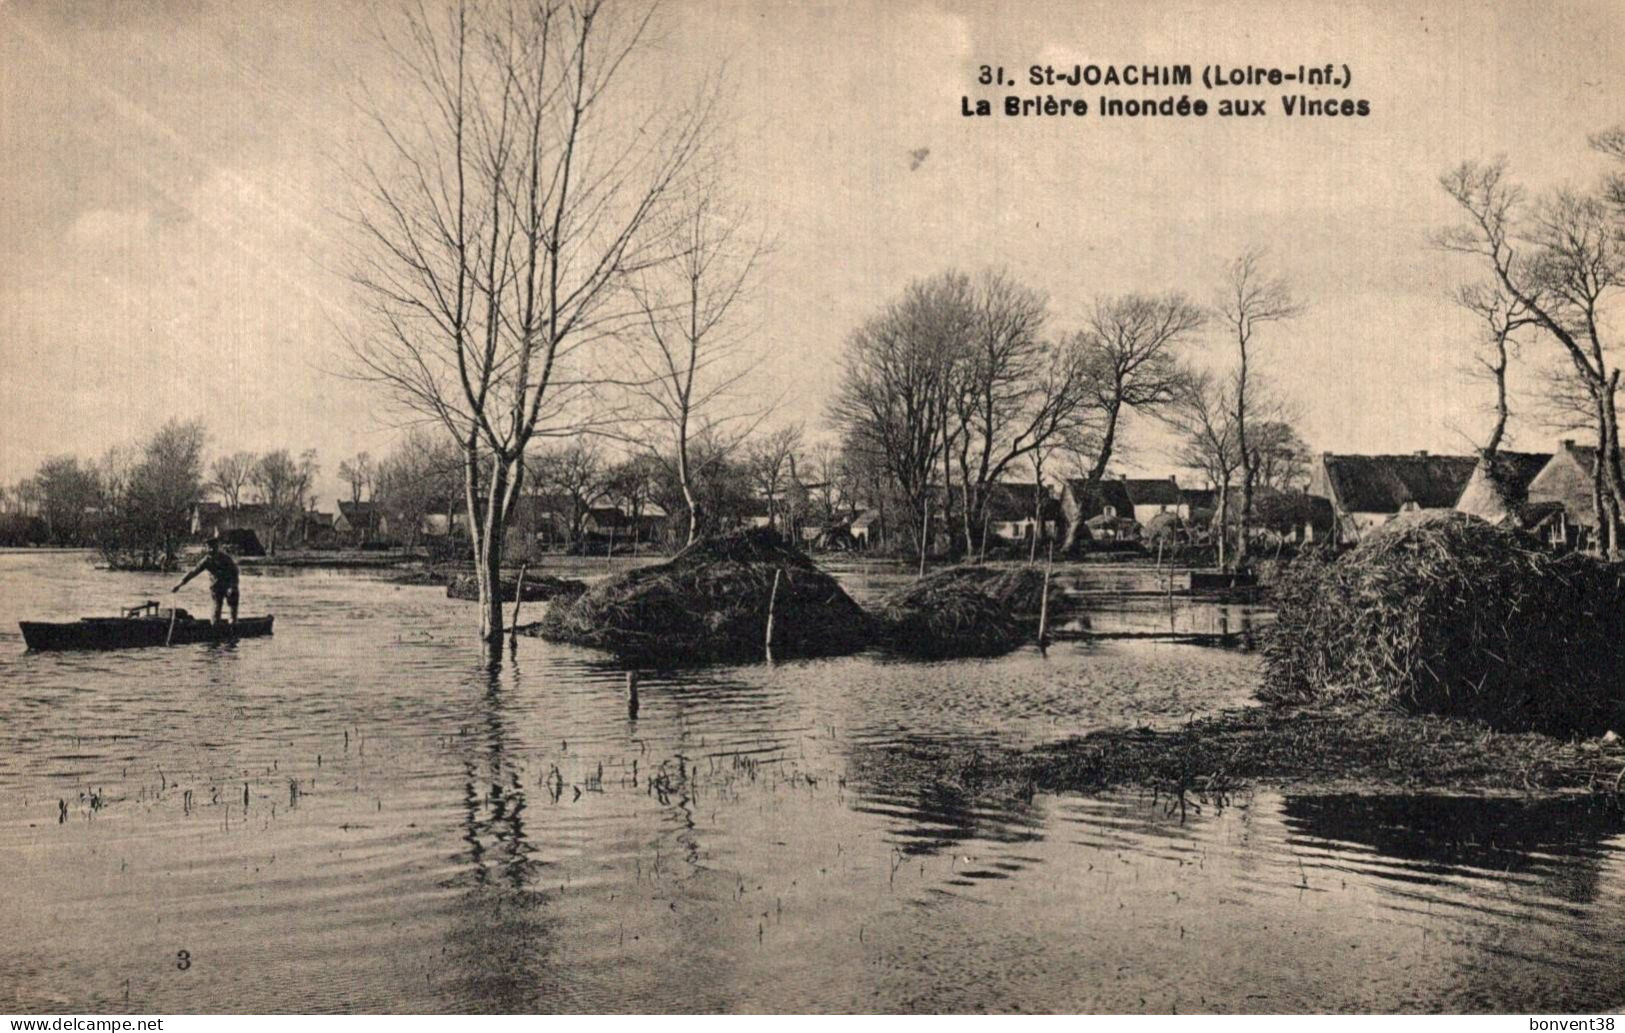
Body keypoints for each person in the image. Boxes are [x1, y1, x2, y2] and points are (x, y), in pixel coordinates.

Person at [173, 536, 240, 625]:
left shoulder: (225, 559)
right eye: (209, 547)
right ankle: (215, 627)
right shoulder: (206, 561)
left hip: (229, 586)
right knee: (215, 613)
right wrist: (179, 584)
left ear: (217, 547)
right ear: (207, 548)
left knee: (232, 605)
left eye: (214, 547)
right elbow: (193, 572)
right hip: (216, 588)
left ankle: (233, 623)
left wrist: (232, 586)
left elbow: (234, 573)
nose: (211, 550)